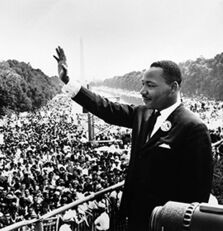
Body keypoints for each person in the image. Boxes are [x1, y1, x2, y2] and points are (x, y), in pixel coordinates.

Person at [54, 46, 213, 231]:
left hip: (165, 223)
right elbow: (106, 108)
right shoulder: (142, 113)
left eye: (150, 85)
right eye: (143, 84)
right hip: (134, 218)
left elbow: (197, 194)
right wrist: (68, 81)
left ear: (173, 87)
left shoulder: (193, 127)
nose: (142, 91)